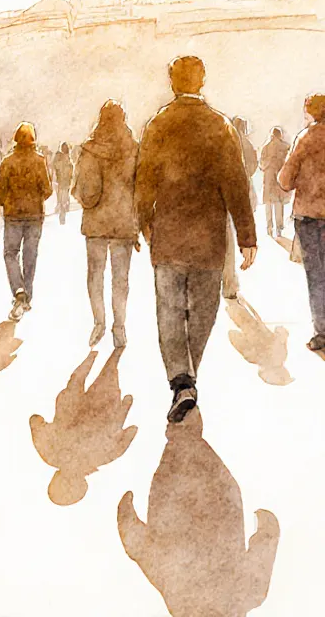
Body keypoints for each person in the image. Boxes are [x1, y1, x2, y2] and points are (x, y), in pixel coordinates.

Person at [136, 56, 256, 423]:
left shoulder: (158, 123)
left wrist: (144, 220)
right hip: (208, 236)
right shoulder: (219, 126)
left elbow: (144, 179)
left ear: (172, 82)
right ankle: (190, 376)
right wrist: (248, 235)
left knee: (169, 312)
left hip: (169, 233)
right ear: (202, 81)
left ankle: (181, 381)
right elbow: (236, 183)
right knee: (203, 312)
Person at [75, 99, 140, 349]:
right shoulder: (133, 150)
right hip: (123, 223)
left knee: (95, 275)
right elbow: (139, 189)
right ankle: (119, 327)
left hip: (96, 224)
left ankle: (99, 322)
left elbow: (83, 190)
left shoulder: (89, 151)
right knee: (121, 279)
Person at [278, 94, 325, 352]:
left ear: (311, 112)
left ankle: (322, 333)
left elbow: (285, 180)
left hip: (310, 217)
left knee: (317, 276)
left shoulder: (306, 138)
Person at [0, 122, 52, 321]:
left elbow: (0, 192)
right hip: (35, 215)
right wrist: (33, 198)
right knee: (30, 255)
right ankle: (27, 296)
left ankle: (18, 290)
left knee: (10, 253)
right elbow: (47, 189)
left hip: (13, 215)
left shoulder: (8, 162)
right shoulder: (40, 161)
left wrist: (7, 200)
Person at [222, 117, 260, 299]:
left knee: (225, 237)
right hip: (240, 192)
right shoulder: (247, 144)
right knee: (229, 239)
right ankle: (229, 285)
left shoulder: (224, 139)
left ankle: (226, 281)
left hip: (224, 194)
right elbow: (253, 165)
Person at [260, 126, 291, 238]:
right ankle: (279, 228)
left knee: (268, 203)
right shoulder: (285, 146)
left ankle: (269, 228)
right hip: (279, 178)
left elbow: (261, 164)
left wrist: (268, 163)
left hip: (268, 178)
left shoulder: (266, 147)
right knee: (278, 203)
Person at [53, 143, 74, 224]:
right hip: (62, 182)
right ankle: (62, 213)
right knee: (63, 199)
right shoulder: (64, 158)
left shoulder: (61, 158)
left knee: (62, 199)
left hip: (62, 182)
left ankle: (62, 213)